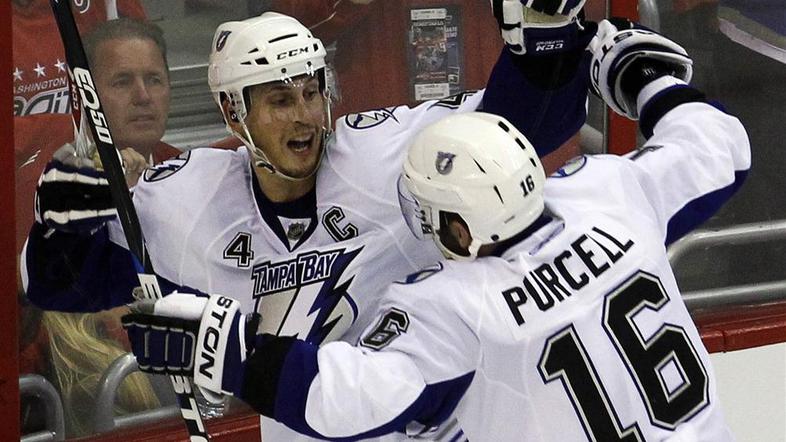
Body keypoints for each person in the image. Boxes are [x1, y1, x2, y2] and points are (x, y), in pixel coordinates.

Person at [121, 18, 749, 441]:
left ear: (453, 227)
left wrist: (231, 352)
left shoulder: (452, 304)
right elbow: (719, 148)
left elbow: (345, 399)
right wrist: (646, 79)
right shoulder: (605, 195)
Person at [24, 3, 591, 440]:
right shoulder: (183, 200)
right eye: (278, 100)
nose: (305, 116)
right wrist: (63, 223)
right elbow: (59, 283)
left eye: (312, 92)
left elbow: (523, 127)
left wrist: (543, 39)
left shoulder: (383, 154)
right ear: (232, 112)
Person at [18, 17, 181, 437]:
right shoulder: (42, 184)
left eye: (155, 80)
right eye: (123, 82)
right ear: (83, 95)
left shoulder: (192, 173)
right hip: (76, 403)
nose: (143, 97)